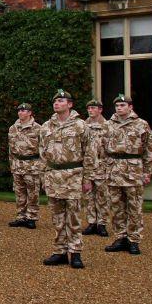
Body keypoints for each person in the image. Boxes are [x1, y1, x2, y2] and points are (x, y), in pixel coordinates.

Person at [38, 89, 97, 269]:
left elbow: (90, 153)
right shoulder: (46, 126)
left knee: (73, 217)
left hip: (73, 175)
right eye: (55, 101)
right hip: (54, 176)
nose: (57, 103)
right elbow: (42, 153)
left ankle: (75, 252)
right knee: (57, 217)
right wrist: (43, 176)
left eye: (61, 101)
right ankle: (60, 251)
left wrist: (88, 178)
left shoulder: (81, 126)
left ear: (70, 104)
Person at [101, 94, 152, 255]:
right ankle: (120, 237)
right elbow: (101, 148)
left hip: (133, 170)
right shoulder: (108, 125)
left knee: (134, 207)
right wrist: (104, 168)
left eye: (123, 105)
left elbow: (149, 150)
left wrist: (147, 171)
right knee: (116, 206)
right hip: (113, 170)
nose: (119, 108)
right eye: (117, 105)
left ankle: (134, 239)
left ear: (130, 107)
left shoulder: (141, 125)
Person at [7, 103, 42, 229]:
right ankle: (21, 216)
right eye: (19, 111)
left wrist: (42, 167)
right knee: (19, 193)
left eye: (23, 110)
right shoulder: (13, 128)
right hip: (17, 165)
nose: (20, 112)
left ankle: (31, 217)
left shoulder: (38, 128)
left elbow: (43, 149)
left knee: (33, 193)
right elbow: (10, 149)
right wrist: (12, 165)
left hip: (32, 165)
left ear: (30, 113)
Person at [82, 99, 111, 237]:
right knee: (88, 197)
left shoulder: (108, 126)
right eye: (89, 108)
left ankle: (102, 223)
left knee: (102, 197)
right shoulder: (83, 126)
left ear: (100, 110)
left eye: (93, 108)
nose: (90, 110)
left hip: (102, 167)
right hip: (87, 168)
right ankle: (91, 222)